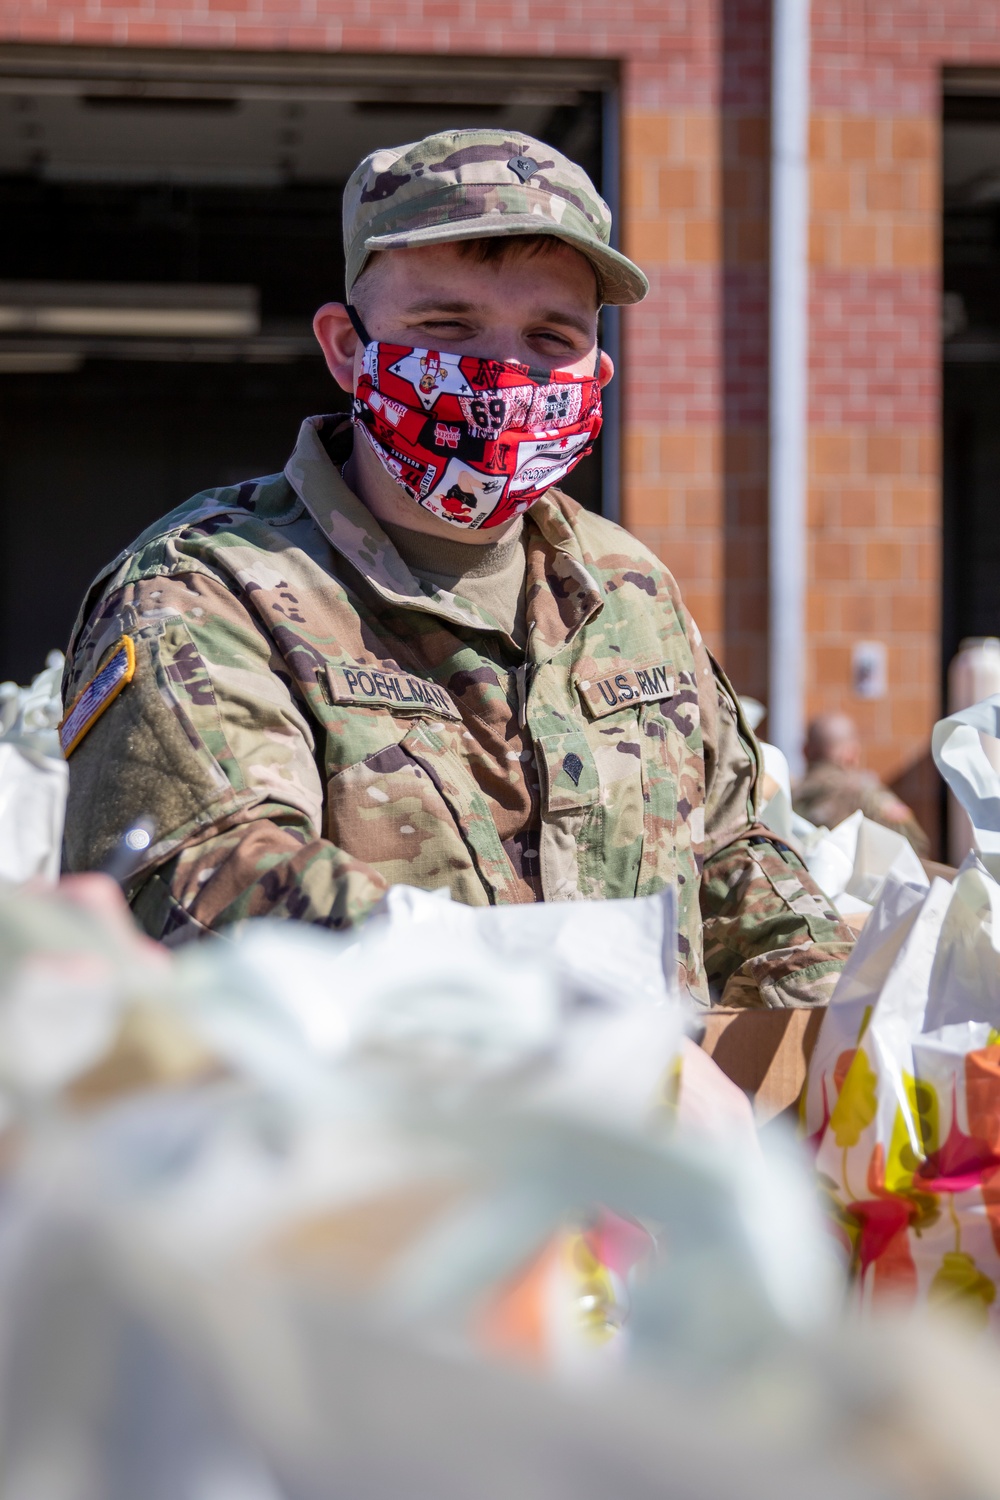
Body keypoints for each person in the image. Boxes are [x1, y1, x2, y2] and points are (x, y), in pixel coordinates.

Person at [59, 129, 853, 1008]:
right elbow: (207, 885)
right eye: (448, 327)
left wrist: (851, 1019)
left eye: (552, 337)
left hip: (650, 1136)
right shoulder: (208, 586)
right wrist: (556, 1025)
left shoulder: (631, 586)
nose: (506, 375)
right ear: (347, 347)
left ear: (600, 369)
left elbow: (732, 855)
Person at [794, 712, 930, 856]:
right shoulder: (865, 793)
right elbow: (916, 844)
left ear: (805, 751)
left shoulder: (785, 794)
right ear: (852, 754)